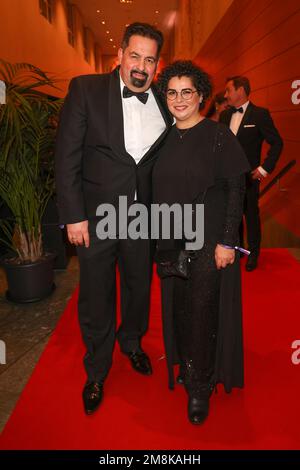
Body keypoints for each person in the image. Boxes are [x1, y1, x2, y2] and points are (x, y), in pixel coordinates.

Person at [55, 22, 172, 415]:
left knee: (139, 288)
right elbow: (67, 157)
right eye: (135, 55)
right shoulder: (85, 90)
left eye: (150, 59)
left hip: (143, 218)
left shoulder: (164, 101)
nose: (141, 66)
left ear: (158, 65)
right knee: (97, 294)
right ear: (120, 53)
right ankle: (97, 367)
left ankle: (133, 343)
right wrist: (73, 216)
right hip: (97, 217)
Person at [153, 61, 250, 425]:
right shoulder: (161, 138)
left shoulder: (218, 135)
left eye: (187, 92)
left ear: (202, 97)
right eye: (172, 92)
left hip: (208, 238)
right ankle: (185, 363)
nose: (179, 99)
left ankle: (200, 386)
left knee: (203, 310)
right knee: (178, 306)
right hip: (169, 236)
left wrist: (228, 241)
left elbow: (236, 189)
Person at [220, 76, 283, 271]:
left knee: (251, 216)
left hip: (249, 178)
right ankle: (238, 250)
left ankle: (253, 254)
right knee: (232, 215)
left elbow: (277, 142)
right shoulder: (224, 116)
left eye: (228, 90)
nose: (225, 95)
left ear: (240, 90)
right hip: (225, 177)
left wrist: (264, 169)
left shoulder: (260, 115)